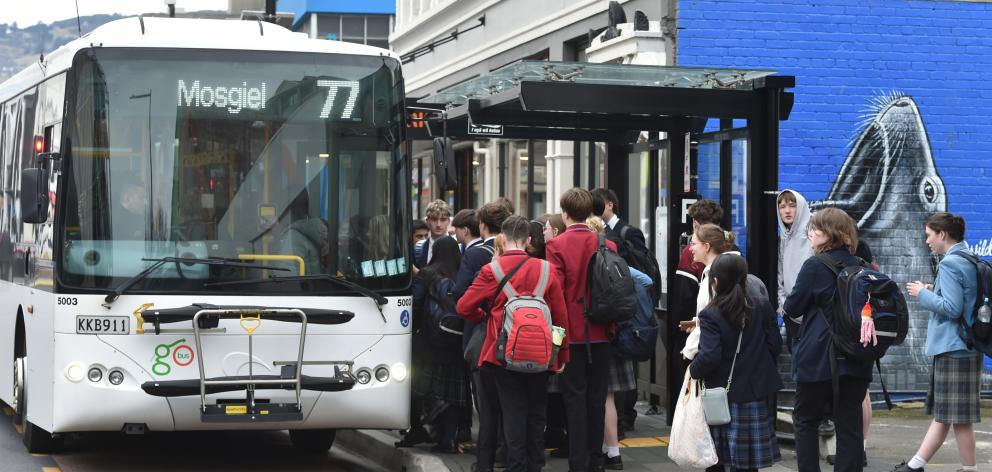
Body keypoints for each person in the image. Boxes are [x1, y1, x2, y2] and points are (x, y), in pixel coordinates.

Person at [456, 215, 570, 472]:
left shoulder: (492, 270)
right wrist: (561, 354)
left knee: (512, 413)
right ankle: (535, 466)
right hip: (541, 354)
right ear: (529, 240)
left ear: (503, 239)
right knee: (536, 414)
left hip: (502, 355)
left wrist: (484, 318)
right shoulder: (546, 269)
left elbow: (463, 307)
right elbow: (560, 318)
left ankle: (516, 466)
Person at [783, 207, 872, 472]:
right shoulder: (862, 265)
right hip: (856, 358)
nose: (810, 234)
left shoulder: (814, 265)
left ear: (828, 234)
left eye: (815, 229)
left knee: (806, 419)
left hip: (819, 358)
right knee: (849, 424)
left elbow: (794, 307)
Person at [894, 213, 979, 472]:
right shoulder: (968, 257)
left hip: (953, 348)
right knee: (952, 416)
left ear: (942, 234)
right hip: (965, 346)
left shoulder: (951, 263)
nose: (927, 240)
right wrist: (934, 292)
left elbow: (952, 309)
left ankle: (921, 466)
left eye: (929, 235)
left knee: (954, 417)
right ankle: (919, 465)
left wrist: (922, 295)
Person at [545, 188, 618, 472]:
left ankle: (579, 462)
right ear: (590, 212)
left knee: (573, 399)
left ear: (564, 213)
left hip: (571, 334)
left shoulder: (557, 246)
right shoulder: (607, 245)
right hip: (602, 331)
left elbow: (556, 294)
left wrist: (556, 337)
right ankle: (597, 460)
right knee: (597, 398)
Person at [690, 253, 783, 472]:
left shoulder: (711, 314)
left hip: (722, 396)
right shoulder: (761, 306)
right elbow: (775, 345)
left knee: (717, 460)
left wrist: (693, 370)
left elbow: (709, 356)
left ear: (716, 281)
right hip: (755, 392)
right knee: (748, 463)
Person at [455, 201, 510, 471]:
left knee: (485, 402)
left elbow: (461, 295)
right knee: (509, 400)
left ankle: (489, 456)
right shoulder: (522, 254)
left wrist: (482, 317)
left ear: (483, 226)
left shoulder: (475, 256)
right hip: (514, 337)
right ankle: (507, 449)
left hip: (482, 337)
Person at [398, 236, 466, 452]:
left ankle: (417, 428)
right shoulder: (462, 274)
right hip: (456, 342)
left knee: (418, 389)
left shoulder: (427, 273)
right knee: (453, 396)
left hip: (429, 343)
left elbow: (414, 305)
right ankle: (447, 440)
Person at [591, 188, 650, 435]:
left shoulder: (627, 233)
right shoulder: (602, 235)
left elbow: (640, 274)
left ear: (610, 205)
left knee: (624, 365)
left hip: (626, 306)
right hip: (614, 306)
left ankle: (626, 416)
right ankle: (621, 418)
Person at [680, 224, 740, 360]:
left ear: (706, 247)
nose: (690, 248)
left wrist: (688, 351)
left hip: (715, 352)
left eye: (693, 243)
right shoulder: (722, 271)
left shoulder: (716, 277)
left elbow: (711, 320)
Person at [416, 200, 452, 269]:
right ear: (427, 221)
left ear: (448, 221)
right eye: (434, 219)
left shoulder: (459, 246)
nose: (438, 224)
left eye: (443, 220)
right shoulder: (419, 247)